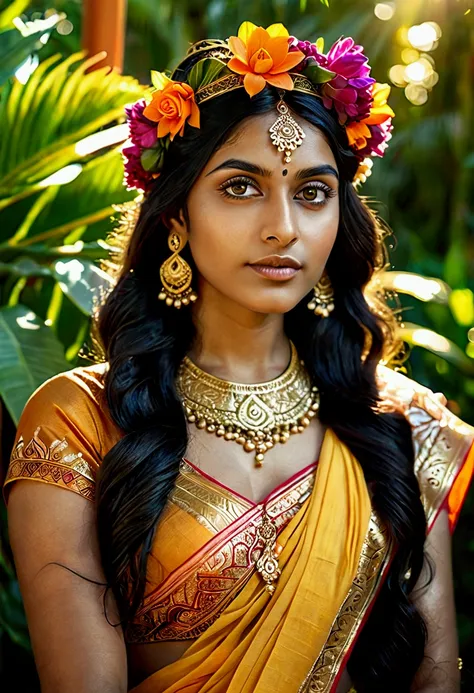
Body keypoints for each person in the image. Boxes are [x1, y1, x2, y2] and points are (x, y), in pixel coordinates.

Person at [3, 21, 473, 693]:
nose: (284, 225)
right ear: (175, 216)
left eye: (313, 192)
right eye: (240, 187)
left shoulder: (404, 427)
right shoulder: (79, 424)